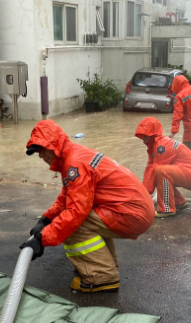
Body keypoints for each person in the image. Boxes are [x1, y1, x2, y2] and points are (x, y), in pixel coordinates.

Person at [21, 120, 155, 293]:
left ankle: (101, 276)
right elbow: (67, 195)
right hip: (133, 210)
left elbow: (75, 213)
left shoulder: (75, 163)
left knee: (73, 224)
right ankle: (105, 264)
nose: (40, 155)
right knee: (79, 218)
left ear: (54, 145)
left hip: (131, 213)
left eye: (42, 149)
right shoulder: (75, 155)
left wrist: (42, 239)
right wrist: (47, 218)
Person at [136, 117, 191, 218]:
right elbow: (149, 168)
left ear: (153, 134)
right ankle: (179, 202)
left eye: (145, 134)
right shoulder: (156, 145)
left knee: (161, 171)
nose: (143, 138)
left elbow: (154, 171)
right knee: (162, 174)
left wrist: (141, 197)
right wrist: (142, 192)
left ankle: (167, 209)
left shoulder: (161, 147)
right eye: (142, 135)